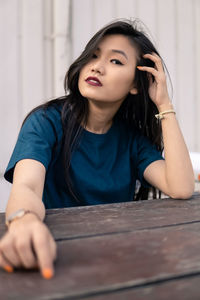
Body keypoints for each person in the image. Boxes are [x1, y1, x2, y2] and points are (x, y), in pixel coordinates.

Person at [0, 19, 194, 279]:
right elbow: (27, 186)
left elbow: (180, 187)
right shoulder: (46, 122)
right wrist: (23, 220)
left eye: (115, 61)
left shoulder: (132, 140)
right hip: (55, 253)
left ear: (137, 84)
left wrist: (164, 103)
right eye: (93, 56)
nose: (97, 67)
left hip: (116, 259)